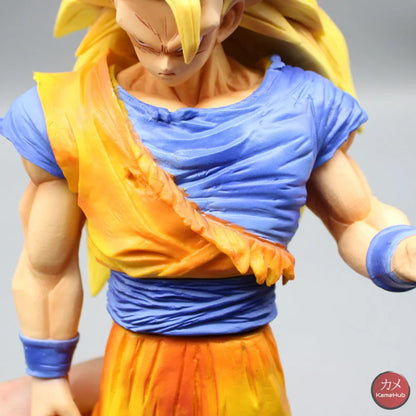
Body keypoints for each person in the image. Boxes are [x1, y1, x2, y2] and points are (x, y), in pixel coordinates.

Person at [0, 0, 415, 415]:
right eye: (143, 41)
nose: (163, 65)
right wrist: (47, 378)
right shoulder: (71, 116)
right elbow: (46, 269)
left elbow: (357, 218)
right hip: (137, 371)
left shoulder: (298, 108)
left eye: (184, 47)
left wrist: (399, 252)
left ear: (229, 18)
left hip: (246, 369)